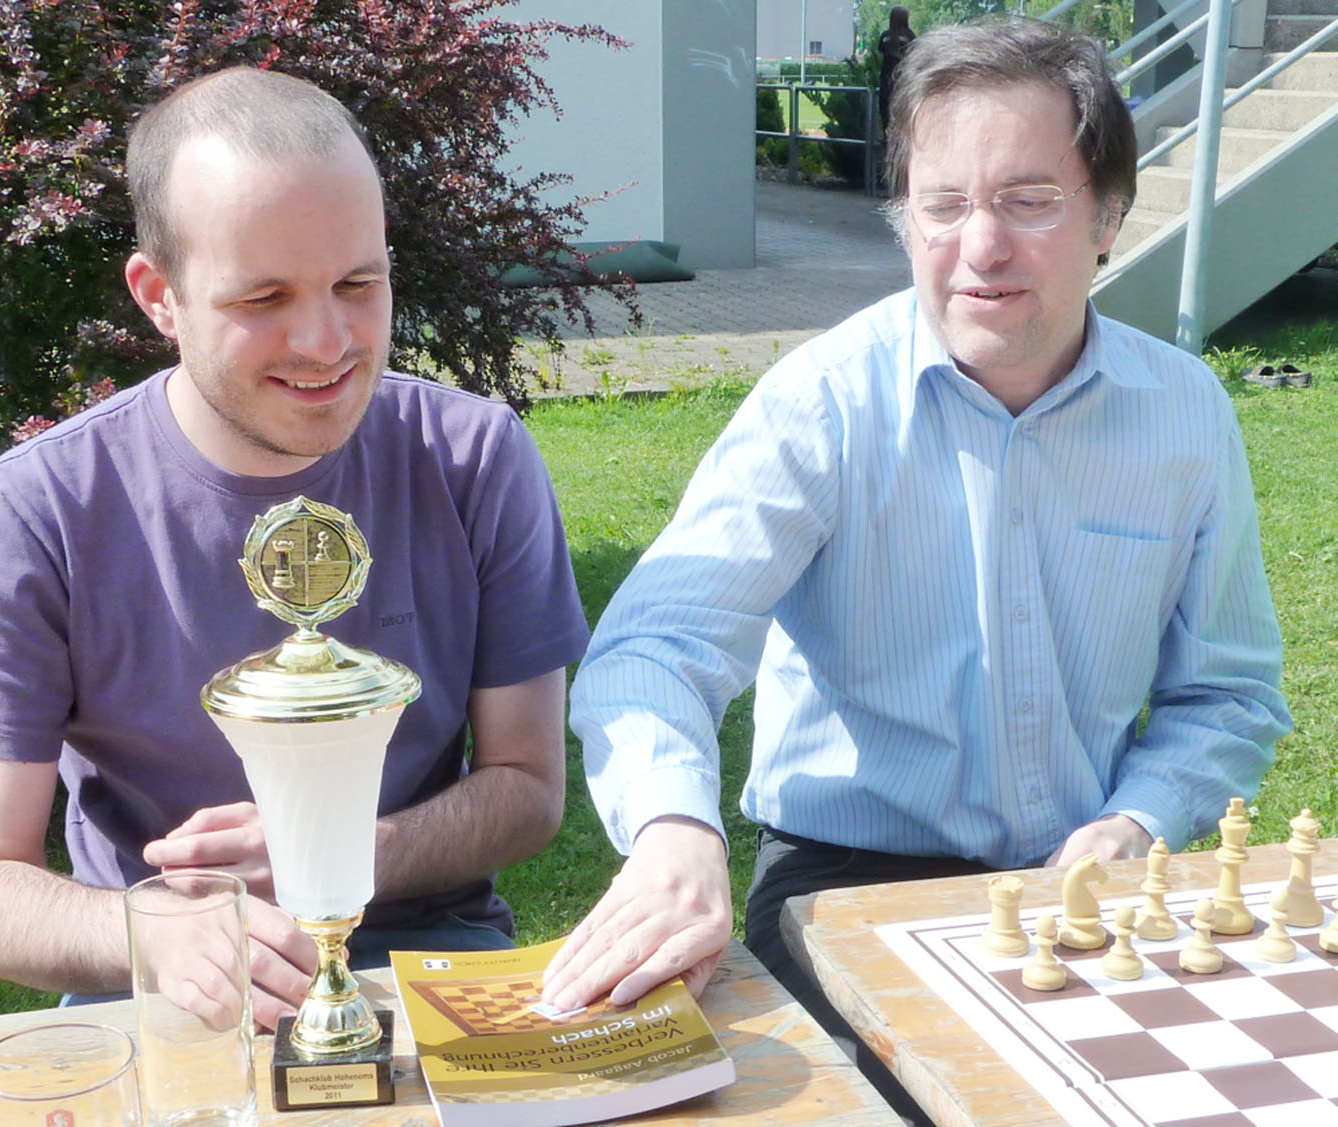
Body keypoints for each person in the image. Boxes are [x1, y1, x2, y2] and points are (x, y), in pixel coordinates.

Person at [542, 15, 1288, 1113]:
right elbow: (656, 644)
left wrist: (1139, 818)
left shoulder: (1184, 414)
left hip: (1080, 884)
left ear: (1108, 218)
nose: (979, 246)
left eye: (1027, 200)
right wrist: (672, 830)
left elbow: (1224, 693)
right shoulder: (822, 402)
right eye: (942, 205)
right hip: (842, 885)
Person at [0, 67, 589, 1032]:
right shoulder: (36, 511)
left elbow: (528, 788)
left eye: (358, 283)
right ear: (160, 296)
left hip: (427, 954)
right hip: (166, 984)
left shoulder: (472, 458)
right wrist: (157, 935)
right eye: (264, 296)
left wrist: (339, 853)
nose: (325, 342)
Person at [877, 6, 916, 134]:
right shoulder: (909, 36)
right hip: (903, 78)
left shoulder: (885, 36)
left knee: (886, 111)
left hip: (886, 78)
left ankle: (886, 134)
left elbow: (881, 53)